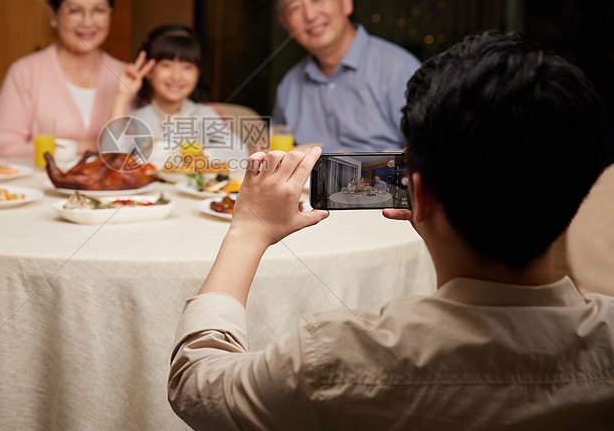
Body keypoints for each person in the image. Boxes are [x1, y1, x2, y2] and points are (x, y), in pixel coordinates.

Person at [168, 31, 614, 429]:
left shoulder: (338, 358)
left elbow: (196, 384)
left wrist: (249, 229)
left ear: (417, 196)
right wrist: (437, 215)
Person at [0, 0, 148, 156]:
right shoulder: (25, 73)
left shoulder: (128, 76)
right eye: (74, 10)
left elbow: (139, 149)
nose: (87, 22)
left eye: (99, 10)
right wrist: (87, 146)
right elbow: (3, 149)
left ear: (111, 12)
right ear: (53, 14)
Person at [271, 0, 421, 152]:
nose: (310, 15)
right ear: (286, 25)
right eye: (295, 8)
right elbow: (278, 154)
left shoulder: (399, 70)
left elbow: (428, 159)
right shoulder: (289, 86)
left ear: (346, 0)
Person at [114, 24, 249, 171]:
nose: (176, 76)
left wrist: (197, 156)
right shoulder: (138, 119)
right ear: (149, 70)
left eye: (187, 67)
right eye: (166, 65)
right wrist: (122, 96)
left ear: (198, 74)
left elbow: (239, 152)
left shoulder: (203, 114)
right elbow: (113, 156)